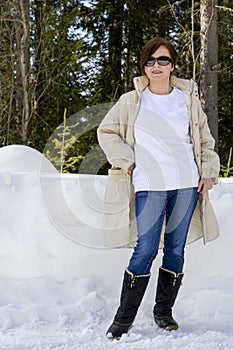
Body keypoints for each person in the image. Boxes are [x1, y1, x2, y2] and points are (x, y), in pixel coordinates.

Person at [97, 37, 220, 340]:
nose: (156, 66)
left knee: (175, 250)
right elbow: (107, 131)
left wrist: (207, 172)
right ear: (144, 66)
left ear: (172, 65)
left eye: (163, 60)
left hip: (186, 186)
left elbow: (203, 139)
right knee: (146, 248)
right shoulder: (132, 100)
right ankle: (123, 319)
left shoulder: (186, 98)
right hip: (149, 185)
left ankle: (163, 313)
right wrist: (127, 161)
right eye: (150, 61)